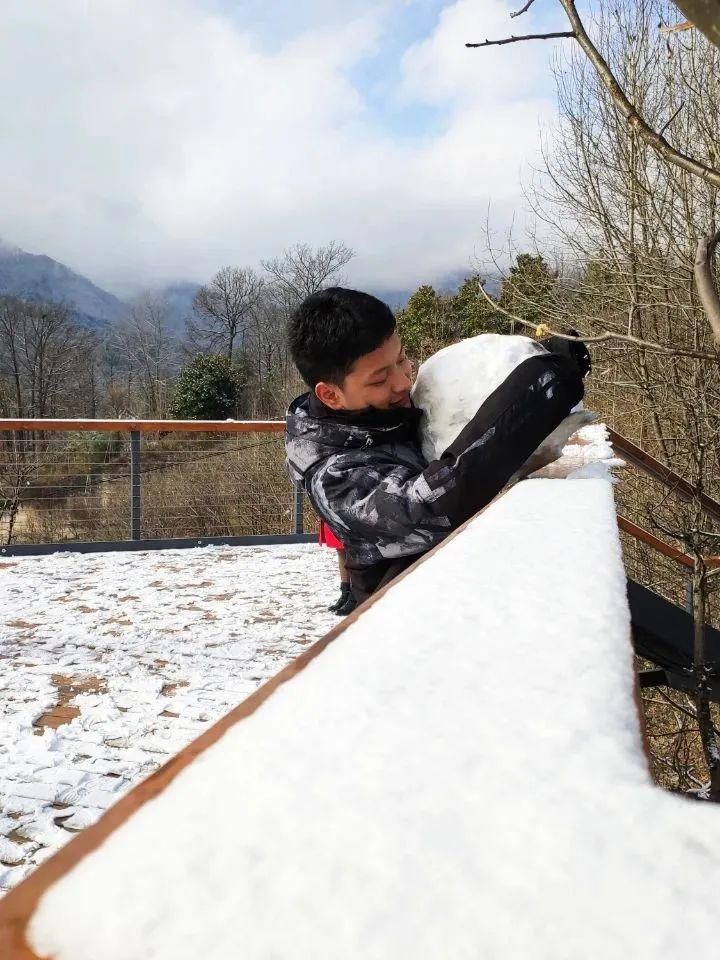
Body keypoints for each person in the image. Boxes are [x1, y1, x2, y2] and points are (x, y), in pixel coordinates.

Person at [285, 287, 588, 608]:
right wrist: (544, 384)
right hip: (407, 622)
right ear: (331, 395)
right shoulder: (335, 477)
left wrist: (523, 359)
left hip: (464, 595)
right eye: (379, 380)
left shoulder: (377, 416)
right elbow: (434, 506)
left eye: (401, 359)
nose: (402, 382)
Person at [318, 520, 357, 616]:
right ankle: (345, 594)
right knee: (340, 548)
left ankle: (355, 594)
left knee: (354, 547)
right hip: (332, 507)